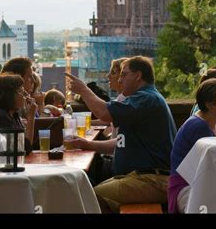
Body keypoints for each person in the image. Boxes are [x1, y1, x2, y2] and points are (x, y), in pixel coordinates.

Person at [65, 56, 177, 213]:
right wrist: (88, 144)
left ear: (138, 76)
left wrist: (83, 90)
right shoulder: (143, 99)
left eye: (124, 74)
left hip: (151, 180)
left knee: (87, 196)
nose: (120, 78)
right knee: (86, 190)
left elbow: (103, 113)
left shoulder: (146, 98)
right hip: (140, 178)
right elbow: (121, 142)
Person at [169, 78, 216, 213]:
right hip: (186, 187)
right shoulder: (198, 126)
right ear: (209, 104)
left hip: (203, 183)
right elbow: (214, 164)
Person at [0, 74, 36, 154]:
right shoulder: (0, 117)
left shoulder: (11, 114)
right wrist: (31, 116)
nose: (25, 95)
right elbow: (24, 148)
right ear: (9, 95)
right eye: (20, 91)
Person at [0, 56, 37, 130]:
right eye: (29, 77)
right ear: (16, 78)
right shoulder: (1, 115)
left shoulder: (7, 105)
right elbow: (24, 141)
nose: (33, 81)